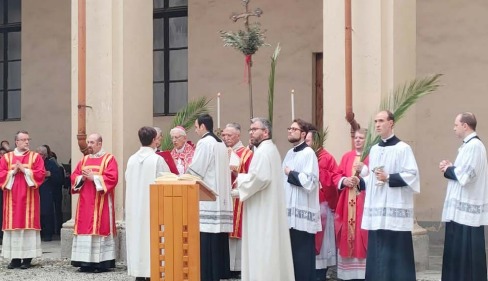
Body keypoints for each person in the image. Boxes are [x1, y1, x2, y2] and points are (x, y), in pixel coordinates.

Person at [361, 110, 419, 281]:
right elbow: (372, 176)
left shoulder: (403, 149)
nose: (377, 124)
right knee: (378, 252)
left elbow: (412, 175)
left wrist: (389, 178)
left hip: (395, 209)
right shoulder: (374, 149)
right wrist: (360, 182)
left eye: (381, 121)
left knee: (396, 254)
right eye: (375, 121)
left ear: (391, 123)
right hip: (377, 209)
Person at [234, 117, 294, 281]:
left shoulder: (263, 151)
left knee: (263, 249)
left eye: (255, 129)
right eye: (251, 129)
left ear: (265, 132)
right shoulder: (269, 149)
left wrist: (240, 180)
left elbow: (260, 178)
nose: (251, 132)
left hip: (262, 211)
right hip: (265, 206)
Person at [439, 112, 488, 281]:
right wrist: (452, 167)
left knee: (467, 258)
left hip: (467, 215)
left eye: (456, 124)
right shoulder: (468, 146)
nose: (454, 128)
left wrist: (448, 170)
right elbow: (464, 171)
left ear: (465, 126)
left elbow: (466, 176)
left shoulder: (474, 146)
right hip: (460, 214)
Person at [188, 114, 233, 281]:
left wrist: (183, 176)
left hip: (207, 197)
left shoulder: (205, 143)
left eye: (196, 126)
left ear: (202, 126)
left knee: (207, 236)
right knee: (217, 237)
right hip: (219, 198)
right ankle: (219, 272)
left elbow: (197, 169)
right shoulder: (220, 143)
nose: (195, 130)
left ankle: (206, 275)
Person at [125, 126, 170, 280]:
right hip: (152, 207)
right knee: (150, 238)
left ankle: (138, 272)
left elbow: (127, 179)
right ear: (153, 140)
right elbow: (166, 181)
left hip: (134, 206)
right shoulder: (157, 159)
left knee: (137, 237)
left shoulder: (131, 159)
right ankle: (152, 273)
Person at [70, 133, 119, 273]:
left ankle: (100, 263)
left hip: (101, 201)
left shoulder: (109, 159)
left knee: (99, 228)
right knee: (84, 228)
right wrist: (82, 178)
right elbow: (74, 176)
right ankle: (85, 262)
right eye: (88, 142)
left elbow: (112, 178)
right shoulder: (84, 159)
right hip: (85, 201)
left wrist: (94, 178)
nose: (89, 145)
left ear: (99, 144)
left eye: (92, 143)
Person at [0, 131, 46, 269]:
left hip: (29, 199)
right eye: (23, 140)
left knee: (28, 227)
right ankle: (14, 259)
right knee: (13, 228)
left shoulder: (35, 157)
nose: (27, 142)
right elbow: (1, 173)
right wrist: (13, 171)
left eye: (28, 139)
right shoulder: (7, 157)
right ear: (16, 142)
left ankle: (27, 259)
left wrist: (25, 170)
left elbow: (41, 174)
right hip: (11, 199)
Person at [283, 118, 321, 281]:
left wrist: (291, 173)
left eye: (294, 129)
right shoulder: (289, 153)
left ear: (303, 134)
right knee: (291, 255)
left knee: (303, 255)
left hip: (302, 212)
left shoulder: (308, 153)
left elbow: (311, 182)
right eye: (289, 128)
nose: (290, 131)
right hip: (289, 212)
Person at [304, 125, 340, 281]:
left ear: (316, 142)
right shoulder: (309, 155)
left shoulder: (324, 158)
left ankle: (319, 274)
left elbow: (328, 183)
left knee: (322, 242)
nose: (305, 143)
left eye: (307, 141)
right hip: (310, 204)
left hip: (322, 205)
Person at [335, 128, 369, 281]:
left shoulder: (370, 157)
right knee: (347, 234)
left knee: (362, 234)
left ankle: (363, 274)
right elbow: (337, 174)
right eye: (356, 137)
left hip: (363, 203)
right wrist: (344, 181)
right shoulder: (347, 157)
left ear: (366, 140)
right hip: (347, 204)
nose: (357, 140)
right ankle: (349, 275)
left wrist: (363, 176)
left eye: (361, 138)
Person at [221, 122, 253, 278]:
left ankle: (237, 266)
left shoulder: (247, 153)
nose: (226, 138)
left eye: (229, 135)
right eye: (224, 135)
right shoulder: (222, 151)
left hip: (239, 197)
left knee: (237, 232)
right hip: (224, 197)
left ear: (238, 136)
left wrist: (234, 169)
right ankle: (226, 265)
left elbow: (250, 176)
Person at [36, 146, 63, 242]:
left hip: (47, 191)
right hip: (35, 190)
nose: (39, 156)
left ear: (45, 155)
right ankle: (38, 234)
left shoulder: (51, 163)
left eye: (41, 154)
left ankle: (48, 234)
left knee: (46, 212)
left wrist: (50, 174)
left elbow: (60, 178)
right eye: (38, 153)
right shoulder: (33, 163)